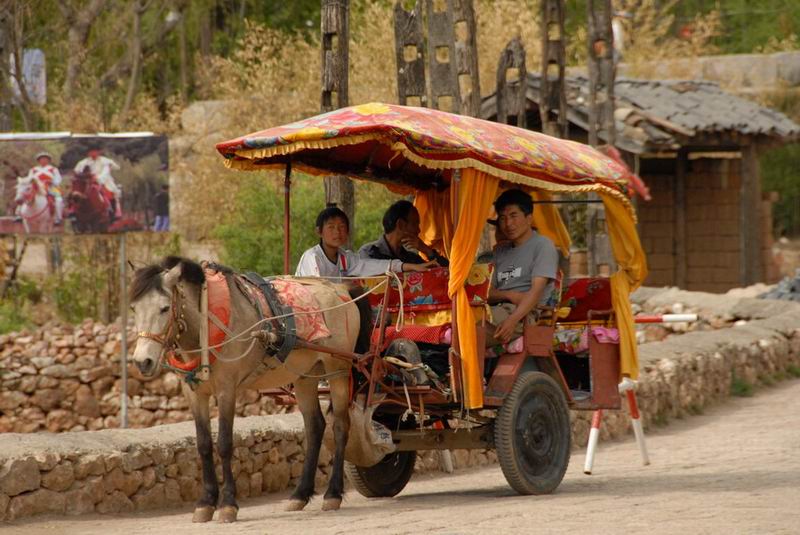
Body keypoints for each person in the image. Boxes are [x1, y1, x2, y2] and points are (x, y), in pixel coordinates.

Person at [487, 188, 559, 345]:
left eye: (514, 216)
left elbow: (536, 290)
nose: (508, 224)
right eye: (503, 218)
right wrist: (509, 295)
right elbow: (487, 293)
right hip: (497, 309)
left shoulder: (543, 245)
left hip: (525, 315)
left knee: (471, 325)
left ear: (529, 218)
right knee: (460, 319)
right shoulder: (499, 251)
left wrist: (512, 320)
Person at [295, 205, 435, 279]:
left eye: (342, 227)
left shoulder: (346, 258)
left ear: (348, 231)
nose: (337, 232)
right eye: (331, 227)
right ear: (319, 232)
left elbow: (371, 265)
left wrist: (407, 266)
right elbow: (316, 290)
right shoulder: (312, 257)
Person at [358, 200, 449, 266]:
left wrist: (427, 250)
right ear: (400, 224)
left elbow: (445, 274)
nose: (419, 230)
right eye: (415, 224)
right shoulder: (369, 252)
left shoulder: (411, 258)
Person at [74, 145, 122, 219]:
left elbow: (111, 170)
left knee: (112, 191)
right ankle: (73, 211)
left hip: (104, 181)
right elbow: (76, 170)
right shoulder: (83, 162)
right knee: (76, 192)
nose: (93, 153)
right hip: (86, 181)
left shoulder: (105, 161)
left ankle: (113, 211)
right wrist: (84, 175)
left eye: (95, 151)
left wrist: (97, 178)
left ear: (99, 152)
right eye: (91, 151)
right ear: (88, 153)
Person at [23, 152, 64, 224]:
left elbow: (58, 179)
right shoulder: (33, 169)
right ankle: (20, 215)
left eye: (45, 159)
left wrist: (52, 182)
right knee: (24, 196)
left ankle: (58, 218)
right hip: (36, 187)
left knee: (58, 199)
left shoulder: (53, 169)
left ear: (48, 160)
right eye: (42, 159)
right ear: (39, 160)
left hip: (51, 187)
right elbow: (29, 179)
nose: (43, 160)